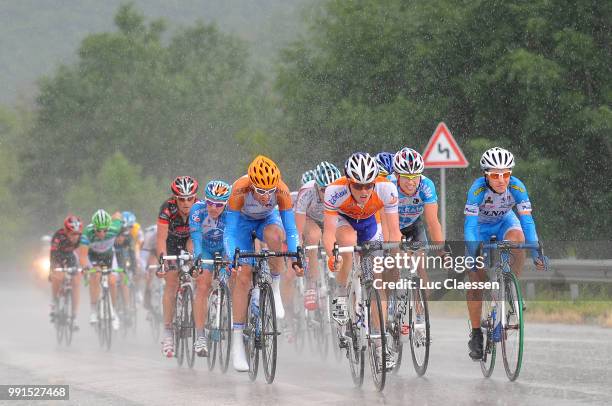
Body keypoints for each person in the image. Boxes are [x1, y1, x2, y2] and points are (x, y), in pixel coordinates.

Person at [464, 147, 547, 360]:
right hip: (480, 229)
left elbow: (527, 221)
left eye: (506, 174)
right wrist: (473, 253)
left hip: (504, 223)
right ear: (486, 175)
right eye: (495, 175)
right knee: (475, 281)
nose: (501, 180)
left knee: (518, 240)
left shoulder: (517, 186)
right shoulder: (477, 190)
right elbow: (470, 227)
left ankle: (510, 286)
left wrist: (536, 249)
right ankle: (475, 335)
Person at [322, 152, 401, 370]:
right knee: (347, 243)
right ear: (349, 182)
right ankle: (340, 293)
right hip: (343, 221)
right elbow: (328, 234)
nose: (364, 191)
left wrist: (395, 259)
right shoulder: (334, 191)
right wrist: (332, 256)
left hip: (368, 224)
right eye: (358, 186)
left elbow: (394, 231)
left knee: (377, 282)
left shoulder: (387, 189)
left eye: (369, 185)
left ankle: (380, 344)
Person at [223, 155, 303, 371]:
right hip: (241, 225)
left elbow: (291, 229)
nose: (266, 196)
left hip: (267, 220)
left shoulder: (282, 190)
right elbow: (229, 231)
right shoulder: (239, 189)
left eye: (270, 191)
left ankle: (274, 289)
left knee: (277, 238)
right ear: (252, 186)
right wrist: (233, 258)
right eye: (261, 191)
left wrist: (296, 256)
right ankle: (238, 341)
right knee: (243, 275)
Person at [157, 176, 199, 358]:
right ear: (175, 198)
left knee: (198, 271)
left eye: (190, 198)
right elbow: (160, 239)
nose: (186, 203)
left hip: (190, 239)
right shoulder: (167, 208)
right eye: (182, 199)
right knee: (172, 282)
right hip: (171, 242)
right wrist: (163, 263)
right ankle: (167, 331)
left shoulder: (199, 207)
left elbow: (199, 236)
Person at [188, 180, 231, 357]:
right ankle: (200, 336)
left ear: (226, 204)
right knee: (203, 284)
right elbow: (196, 239)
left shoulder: (231, 212)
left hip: (224, 246)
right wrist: (198, 260)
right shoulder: (197, 210)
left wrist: (227, 266)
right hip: (204, 248)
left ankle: (233, 323)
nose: (213, 208)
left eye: (219, 204)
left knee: (231, 279)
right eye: (210, 203)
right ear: (205, 200)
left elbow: (232, 237)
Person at [78, 209, 123, 330]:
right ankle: (93, 310)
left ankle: (114, 312)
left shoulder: (115, 228)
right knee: (96, 274)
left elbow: (118, 215)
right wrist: (86, 267)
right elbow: (82, 255)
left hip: (109, 256)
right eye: (98, 230)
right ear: (94, 227)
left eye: (105, 230)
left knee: (112, 282)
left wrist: (121, 234)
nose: (102, 233)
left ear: (109, 227)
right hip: (93, 257)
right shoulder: (87, 233)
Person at [49, 215, 83, 330]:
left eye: (77, 234)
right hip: (57, 255)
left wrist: (83, 268)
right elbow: (53, 254)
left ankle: (74, 316)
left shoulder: (80, 238)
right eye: (73, 234)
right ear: (66, 231)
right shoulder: (58, 237)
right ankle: (54, 302)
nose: (75, 237)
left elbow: (82, 253)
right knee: (58, 276)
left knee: (76, 282)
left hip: (70, 256)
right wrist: (52, 269)